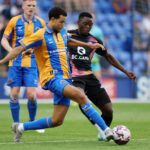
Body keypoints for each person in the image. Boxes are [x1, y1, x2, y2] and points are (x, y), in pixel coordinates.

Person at [0, 6, 114, 143]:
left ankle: (20, 127)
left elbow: (69, 40)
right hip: (52, 78)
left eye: (64, 22)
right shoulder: (39, 34)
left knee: (57, 121)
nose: (63, 25)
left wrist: (90, 46)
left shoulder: (61, 32)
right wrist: (2, 61)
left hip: (65, 79)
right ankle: (106, 130)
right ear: (52, 19)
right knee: (80, 96)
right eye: (61, 22)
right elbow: (18, 48)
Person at [67, 12, 136, 141]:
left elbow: (108, 56)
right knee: (81, 98)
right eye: (84, 24)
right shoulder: (68, 35)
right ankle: (103, 129)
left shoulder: (95, 40)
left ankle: (102, 132)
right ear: (78, 23)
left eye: (90, 25)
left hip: (89, 77)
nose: (87, 27)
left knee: (108, 110)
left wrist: (126, 71)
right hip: (74, 77)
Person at [1, 0, 45, 133]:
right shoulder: (14, 21)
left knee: (31, 95)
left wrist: (34, 50)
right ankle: (16, 123)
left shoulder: (40, 23)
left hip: (31, 63)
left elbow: (43, 42)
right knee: (14, 94)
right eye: (28, 5)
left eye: (33, 6)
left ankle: (32, 123)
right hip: (15, 63)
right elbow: (3, 39)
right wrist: (12, 52)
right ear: (23, 6)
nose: (31, 8)